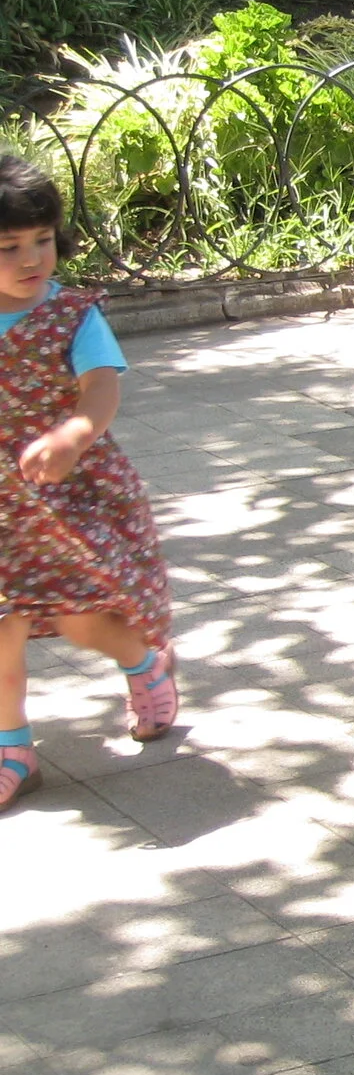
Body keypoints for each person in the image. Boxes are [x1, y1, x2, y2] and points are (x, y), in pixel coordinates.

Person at [0, 156, 179, 811]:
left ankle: (142, 662)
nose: (30, 258)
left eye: (42, 239)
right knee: (1, 629)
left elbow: (100, 390)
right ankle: (12, 747)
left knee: (81, 617)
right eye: (8, 247)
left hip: (70, 493)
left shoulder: (72, 316)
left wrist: (74, 435)